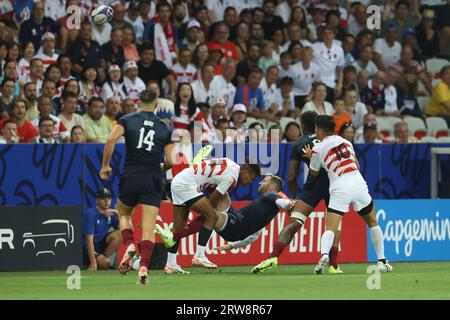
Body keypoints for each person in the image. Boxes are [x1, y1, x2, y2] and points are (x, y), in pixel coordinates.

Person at [252, 111, 342, 275]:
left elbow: (292, 175)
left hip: (312, 187)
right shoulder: (334, 140)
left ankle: (272, 257)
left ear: (302, 125)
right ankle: (333, 265)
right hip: (333, 185)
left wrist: (294, 196)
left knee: (295, 222)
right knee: (335, 226)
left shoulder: (300, 143)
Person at [100, 90, 175, 285]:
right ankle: (143, 268)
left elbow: (110, 140)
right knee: (148, 229)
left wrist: (105, 166)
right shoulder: (164, 128)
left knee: (124, 215)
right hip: (152, 178)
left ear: (138, 102)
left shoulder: (127, 119)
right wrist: (162, 167)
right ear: (156, 104)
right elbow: (172, 160)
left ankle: (130, 245)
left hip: (131, 175)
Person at [304, 115, 393, 274]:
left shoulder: (317, 149)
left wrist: (311, 157)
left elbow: (314, 173)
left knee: (330, 227)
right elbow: (357, 165)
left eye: (316, 129)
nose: (315, 131)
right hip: (358, 183)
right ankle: (381, 260)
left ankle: (324, 256)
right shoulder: (346, 142)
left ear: (322, 130)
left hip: (340, 187)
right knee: (373, 221)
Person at [157, 174, 296, 270]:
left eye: (265, 181)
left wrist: (288, 204)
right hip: (235, 221)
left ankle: (176, 237)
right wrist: (231, 246)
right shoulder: (267, 206)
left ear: (272, 187)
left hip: (235, 224)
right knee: (221, 194)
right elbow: (254, 236)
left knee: (211, 215)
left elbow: (281, 201)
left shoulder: (272, 196)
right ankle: (199, 180)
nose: (260, 182)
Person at [159, 155, 260, 270]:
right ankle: (199, 256)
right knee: (212, 216)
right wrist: (203, 219)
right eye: (251, 179)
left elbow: (209, 178)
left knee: (179, 226)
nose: (249, 182)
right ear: (246, 172)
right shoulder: (232, 177)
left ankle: (171, 264)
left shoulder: (228, 162)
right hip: (187, 185)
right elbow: (212, 200)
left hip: (179, 180)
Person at [83, 188, 124, 271]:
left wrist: (118, 214)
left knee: (121, 234)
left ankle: (103, 258)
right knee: (105, 264)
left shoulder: (111, 213)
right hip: (88, 247)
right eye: (103, 198)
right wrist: (93, 262)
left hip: (101, 245)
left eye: (109, 198)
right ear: (97, 200)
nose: (106, 201)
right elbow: (89, 240)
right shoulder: (91, 213)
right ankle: (94, 262)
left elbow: (124, 229)